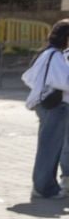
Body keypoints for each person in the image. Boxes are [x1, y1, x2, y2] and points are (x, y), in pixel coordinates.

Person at [24, 20, 69, 200]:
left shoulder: (47, 54)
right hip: (55, 107)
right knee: (49, 149)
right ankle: (44, 188)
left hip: (48, 106)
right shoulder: (55, 56)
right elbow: (64, 81)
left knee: (51, 147)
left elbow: (29, 77)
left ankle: (46, 186)